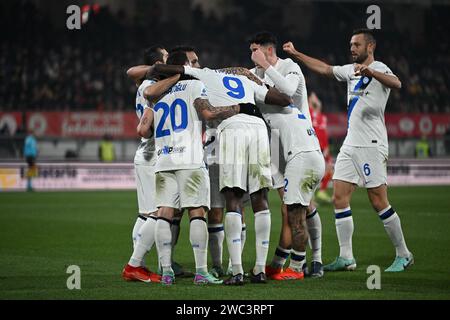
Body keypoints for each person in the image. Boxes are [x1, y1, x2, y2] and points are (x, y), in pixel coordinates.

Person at [283, 28, 414, 272]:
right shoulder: (349, 70)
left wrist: (371, 72)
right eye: (351, 45)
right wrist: (296, 53)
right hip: (350, 144)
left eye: (356, 45)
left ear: (370, 47)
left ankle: (404, 253)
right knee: (339, 197)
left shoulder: (381, 68)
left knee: (378, 201)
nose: (352, 49)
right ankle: (346, 257)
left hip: (372, 145)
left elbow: (397, 83)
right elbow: (324, 68)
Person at [147, 51, 256, 285]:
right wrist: (239, 108)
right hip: (189, 159)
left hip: (164, 159)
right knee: (197, 212)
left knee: (164, 213)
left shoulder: (158, 93)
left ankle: (166, 272)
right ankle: (201, 271)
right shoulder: (194, 87)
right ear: (185, 67)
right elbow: (207, 112)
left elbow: (146, 128)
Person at [248, 31, 325, 279]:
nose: (253, 56)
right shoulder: (256, 73)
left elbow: (288, 91)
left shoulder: (288, 66)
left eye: (256, 51)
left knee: (301, 208)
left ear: (269, 51)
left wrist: (265, 67)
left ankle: (314, 260)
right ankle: (280, 261)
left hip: (299, 144)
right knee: (290, 209)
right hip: (278, 149)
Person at [122, 45, 176, 283]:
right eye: (166, 59)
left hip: (145, 155)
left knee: (145, 215)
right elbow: (147, 128)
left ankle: (140, 264)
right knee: (159, 211)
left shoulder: (143, 85)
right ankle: (135, 263)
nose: (169, 61)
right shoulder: (151, 88)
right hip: (153, 152)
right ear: (157, 63)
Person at [309, 92, 333, 203]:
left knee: (329, 170)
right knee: (313, 172)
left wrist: (327, 147)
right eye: (314, 97)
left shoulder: (321, 117)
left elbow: (324, 133)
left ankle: (321, 191)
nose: (316, 99)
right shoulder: (309, 112)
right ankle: (312, 197)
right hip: (314, 146)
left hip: (323, 148)